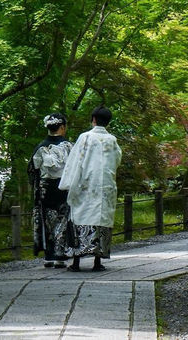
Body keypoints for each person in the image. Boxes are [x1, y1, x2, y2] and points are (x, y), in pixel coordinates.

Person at [58, 105, 122, 272]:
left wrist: (68, 183)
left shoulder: (85, 138)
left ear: (93, 119)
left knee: (80, 217)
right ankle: (97, 261)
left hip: (86, 186)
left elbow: (75, 161)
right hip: (105, 187)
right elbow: (116, 161)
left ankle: (77, 261)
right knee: (101, 219)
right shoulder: (112, 140)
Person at [27, 111, 73, 268]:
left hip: (44, 189)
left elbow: (33, 170)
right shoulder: (68, 146)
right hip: (64, 187)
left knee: (47, 220)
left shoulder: (40, 147)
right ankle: (61, 254)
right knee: (63, 220)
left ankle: (49, 255)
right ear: (62, 127)